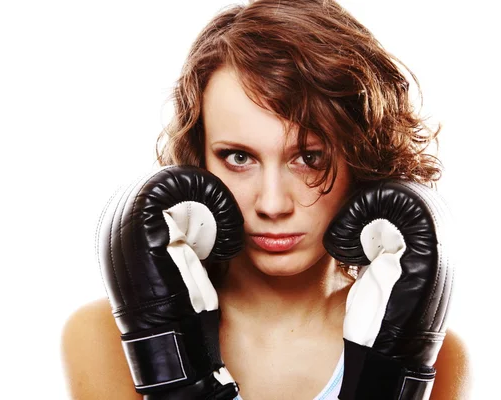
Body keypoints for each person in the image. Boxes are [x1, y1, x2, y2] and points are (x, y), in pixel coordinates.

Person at [61, 0, 472, 399]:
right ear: (198, 162)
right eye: (239, 158)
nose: (272, 205)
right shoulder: (105, 337)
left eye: (308, 158)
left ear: (360, 158)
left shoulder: (437, 355)